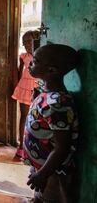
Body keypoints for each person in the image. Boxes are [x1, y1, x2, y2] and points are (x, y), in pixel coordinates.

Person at [24, 44, 79, 202]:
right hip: (42, 161)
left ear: (51, 71)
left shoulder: (58, 104)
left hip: (53, 169)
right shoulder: (47, 93)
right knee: (40, 191)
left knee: (52, 195)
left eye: (35, 61)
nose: (30, 64)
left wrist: (43, 174)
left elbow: (62, 148)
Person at [12, 30, 39, 158]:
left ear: (37, 39)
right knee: (24, 116)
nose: (26, 45)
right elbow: (19, 71)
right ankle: (21, 146)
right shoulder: (24, 57)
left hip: (37, 87)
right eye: (24, 43)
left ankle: (34, 144)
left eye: (29, 41)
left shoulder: (41, 55)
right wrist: (18, 85)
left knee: (36, 117)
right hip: (24, 87)